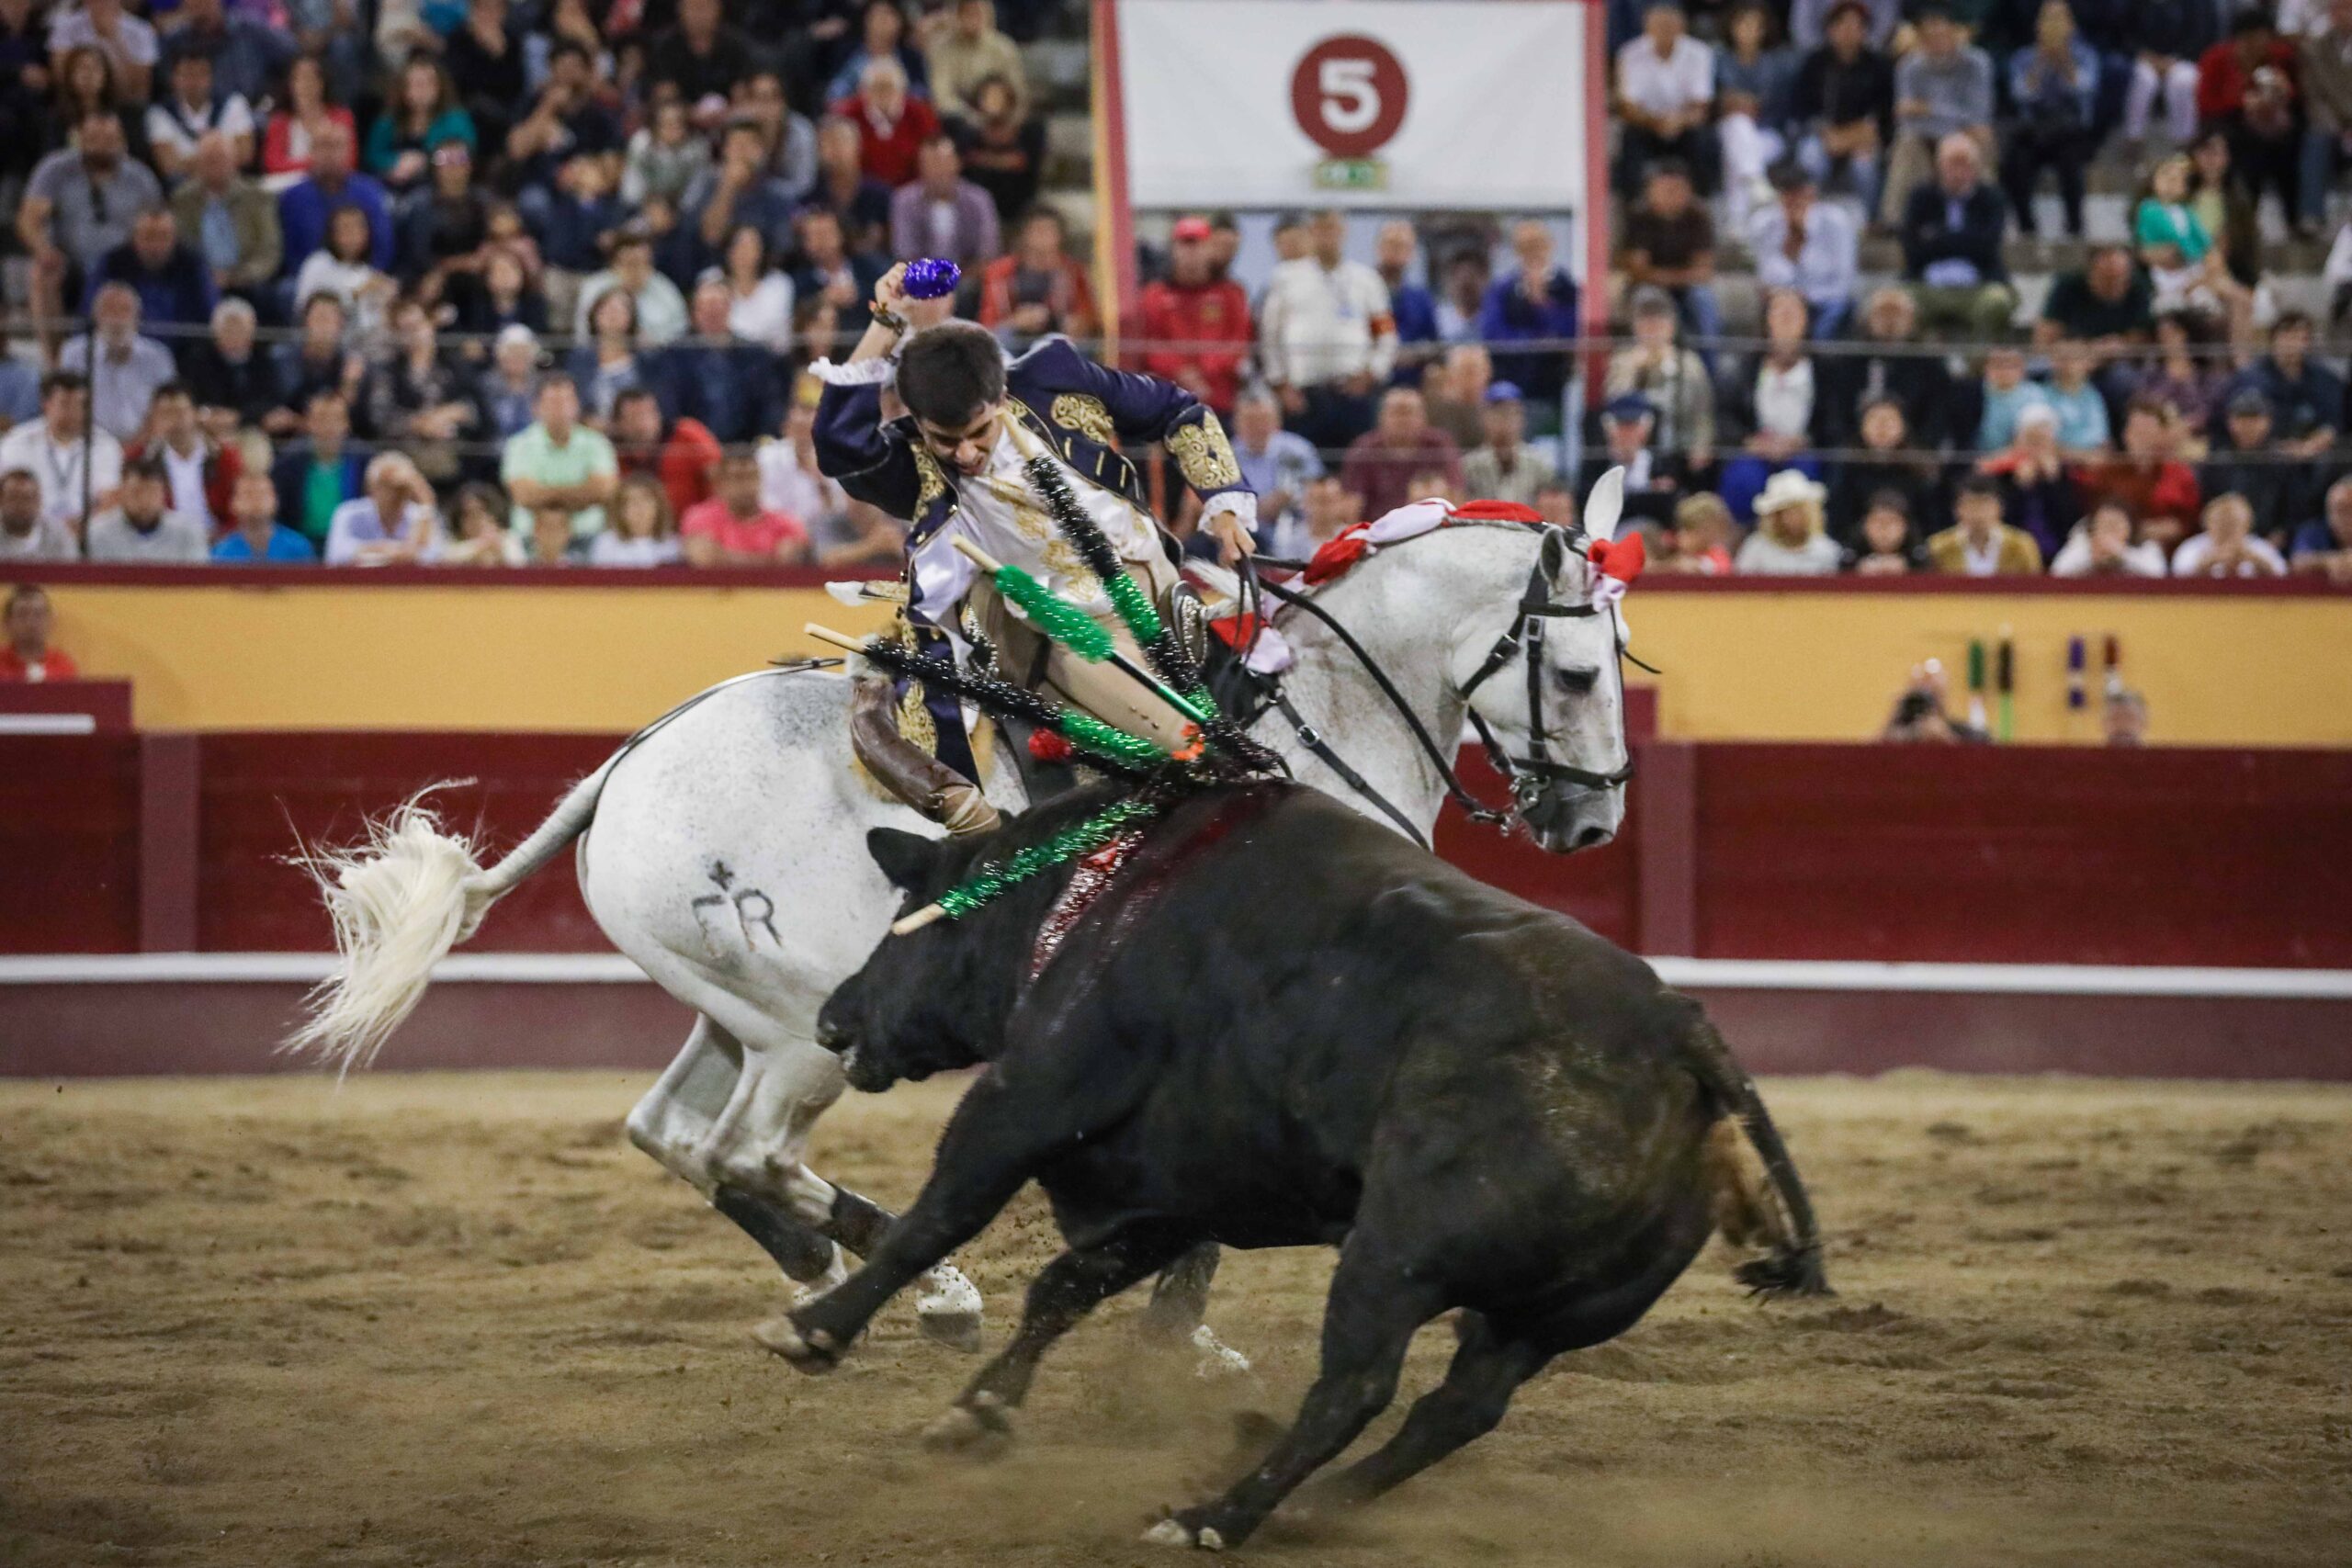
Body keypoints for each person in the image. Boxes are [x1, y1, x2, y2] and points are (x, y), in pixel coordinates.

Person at [811, 263, 1258, 827]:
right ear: (917, 423)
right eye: (945, 440)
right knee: (1196, 754)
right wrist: (885, 324)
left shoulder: (1056, 376)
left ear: (1000, 395)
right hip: (1067, 634)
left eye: (979, 432)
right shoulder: (914, 466)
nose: (966, 454)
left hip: (1163, 588)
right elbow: (839, 444)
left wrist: (1224, 503)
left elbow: (1177, 410)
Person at [1258, 209, 1397, 455]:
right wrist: (1280, 384)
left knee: (1356, 461)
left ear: (1343, 232)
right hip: (1302, 395)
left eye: (1332, 229)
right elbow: (1270, 334)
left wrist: (1373, 373)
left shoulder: (1366, 279)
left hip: (1352, 392)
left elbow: (1385, 332)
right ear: (1310, 233)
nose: (1327, 236)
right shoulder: (1286, 277)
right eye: (1320, 229)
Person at [20, 108, 164, 336]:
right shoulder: (55, 170)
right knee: (42, 273)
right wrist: (44, 250)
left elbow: (158, 224)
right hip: (71, 262)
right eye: (94, 139)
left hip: (125, 262)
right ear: (80, 139)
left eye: (109, 140)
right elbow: (29, 219)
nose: (101, 147)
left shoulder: (141, 178)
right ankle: (55, 355)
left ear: (122, 141)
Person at [1882, 5, 1996, 227]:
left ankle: (1991, 218)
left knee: (1981, 140)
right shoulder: (1908, 67)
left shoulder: (1977, 63)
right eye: (1930, 35)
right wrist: (1946, 119)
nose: (1936, 40)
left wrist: (1928, 109)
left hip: (1964, 136)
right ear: (1921, 39)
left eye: (1942, 33)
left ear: (1955, 33)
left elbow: (1979, 117)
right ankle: (1895, 222)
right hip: (1925, 137)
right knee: (1907, 143)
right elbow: (1905, 118)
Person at [1136, 215, 1252, 417]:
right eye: (1184, 245)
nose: (1191, 253)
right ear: (1173, 249)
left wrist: (1206, 370)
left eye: (1197, 245)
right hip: (1170, 399)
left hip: (1219, 399)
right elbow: (1150, 344)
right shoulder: (1154, 295)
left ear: (1210, 249)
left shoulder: (1231, 294)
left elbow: (1239, 341)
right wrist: (1183, 373)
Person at [1900, 134, 2014, 339]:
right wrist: (1967, 239)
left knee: (1998, 301)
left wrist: (1937, 238)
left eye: (1965, 164)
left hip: (1978, 286)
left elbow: (1987, 248)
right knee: (1898, 303)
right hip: (1926, 286)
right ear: (1938, 166)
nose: (1958, 172)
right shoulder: (1920, 197)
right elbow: (1912, 249)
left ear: (1976, 168)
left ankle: (1978, 356)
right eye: (1952, 164)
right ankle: (1923, 356)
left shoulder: (1991, 198)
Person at [2004, 2, 2100, 239]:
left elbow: (2085, 89)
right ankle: (2026, 226)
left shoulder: (2085, 55)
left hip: (2070, 129)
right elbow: (2021, 94)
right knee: (2014, 161)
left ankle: (2075, 225)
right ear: (2038, 26)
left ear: (2071, 26)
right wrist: (2040, 62)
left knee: (2070, 161)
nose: (2053, 25)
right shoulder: (2023, 57)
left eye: (2059, 19)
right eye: (2048, 19)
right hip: (2034, 129)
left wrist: (2065, 61)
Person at [655, 280, 781, 445]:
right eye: (706, 307)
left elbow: (770, 403)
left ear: (729, 308)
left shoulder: (754, 354)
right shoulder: (674, 354)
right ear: (695, 312)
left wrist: (761, 440)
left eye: (718, 306)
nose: (713, 312)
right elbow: (669, 406)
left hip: (745, 445)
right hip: (693, 445)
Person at [1791, 0, 1893, 203]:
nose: (1848, 31)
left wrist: (1854, 137)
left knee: (1864, 165)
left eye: (1856, 25)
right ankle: (1809, 210)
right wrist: (1824, 132)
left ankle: (1866, 217)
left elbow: (1884, 114)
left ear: (1865, 31)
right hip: (1823, 134)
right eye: (1842, 24)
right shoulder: (1815, 63)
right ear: (1830, 29)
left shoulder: (1879, 66)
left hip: (1862, 138)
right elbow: (1801, 109)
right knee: (1810, 156)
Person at [1476, 220, 1580, 417]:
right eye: (1526, 247)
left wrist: (1542, 304)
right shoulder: (1502, 289)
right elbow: (1494, 334)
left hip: (1554, 384)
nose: (1533, 253)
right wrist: (1535, 340)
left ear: (1550, 246)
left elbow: (1571, 331)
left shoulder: (1566, 288)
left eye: (1538, 245)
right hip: (1511, 382)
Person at [1615, 1, 1718, 196]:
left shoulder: (1699, 53)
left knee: (1705, 140)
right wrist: (1656, 122)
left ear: (1682, 26)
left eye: (1670, 25)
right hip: (1646, 125)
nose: (1665, 30)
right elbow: (1628, 107)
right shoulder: (1630, 53)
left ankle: (1704, 199)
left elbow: (1701, 105)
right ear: (1647, 26)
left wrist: (1679, 121)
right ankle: (1634, 201)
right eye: (1659, 25)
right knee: (1630, 139)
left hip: (1685, 125)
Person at [502, 373, 617, 545]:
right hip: (530, 539)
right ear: (536, 407)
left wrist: (544, 496)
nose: (561, 408)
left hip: (589, 537)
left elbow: (603, 491)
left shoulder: (597, 443)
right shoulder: (518, 445)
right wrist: (580, 496)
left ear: (577, 405)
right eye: (553, 402)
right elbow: (523, 495)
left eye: (566, 401)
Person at [0, 372, 121, 534]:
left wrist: (84, 526)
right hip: (29, 530)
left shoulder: (105, 445)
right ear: (46, 404)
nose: (74, 412)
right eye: (65, 404)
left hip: (88, 531)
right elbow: (6, 495)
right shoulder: (17, 442)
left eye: (80, 405)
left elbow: (110, 499)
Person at [1620, 161, 1721, 352]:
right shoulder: (1639, 217)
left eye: (1676, 189)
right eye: (1665, 189)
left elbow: (1703, 271)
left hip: (1686, 288)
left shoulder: (1699, 217)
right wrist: (1675, 277)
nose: (1671, 194)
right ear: (1650, 190)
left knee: (1703, 299)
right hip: (1649, 286)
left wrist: (1666, 277)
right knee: (1647, 298)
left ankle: (1708, 365)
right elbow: (1637, 270)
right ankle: (1647, 361)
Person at [1715, 0, 1799, 231]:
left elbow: (1778, 105)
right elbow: (1716, 100)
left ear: (1764, 30)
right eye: (1744, 24)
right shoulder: (1720, 59)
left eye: (1755, 26)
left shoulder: (1778, 64)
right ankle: (1755, 181)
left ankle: (1737, 226)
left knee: (1739, 156)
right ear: (1732, 27)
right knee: (1737, 126)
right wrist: (1731, 103)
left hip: (1768, 134)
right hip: (1727, 130)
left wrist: (1751, 104)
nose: (1749, 31)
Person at [1604, 287, 1713, 464]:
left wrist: (1701, 445)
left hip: (1679, 451)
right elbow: (1613, 407)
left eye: (1659, 320)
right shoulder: (1622, 361)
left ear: (1672, 325)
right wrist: (1635, 370)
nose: (1653, 328)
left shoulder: (1689, 363)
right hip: (1634, 453)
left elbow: (1703, 413)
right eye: (1646, 320)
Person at [170, 131, 283, 301]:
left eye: (221, 158)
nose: (215, 165)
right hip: (199, 282)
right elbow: (180, 247)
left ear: (234, 161)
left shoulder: (257, 198)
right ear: (198, 163)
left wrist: (239, 277)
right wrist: (205, 276)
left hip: (249, 282)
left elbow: (269, 250)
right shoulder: (183, 200)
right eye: (209, 160)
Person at [1750, 159, 1858, 337]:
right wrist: (1790, 245)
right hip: (1783, 300)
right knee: (1782, 313)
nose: (1794, 201)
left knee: (1835, 310)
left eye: (1799, 195)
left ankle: (1822, 353)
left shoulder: (1837, 223)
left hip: (1825, 300)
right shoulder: (1764, 224)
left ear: (1812, 194)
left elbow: (1843, 284)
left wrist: (1807, 296)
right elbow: (1766, 277)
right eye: (1788, 195)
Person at [57, 283, 175, 441]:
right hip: (90, 444)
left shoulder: (158, 356)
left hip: (147, 445)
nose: (117, 320)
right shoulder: (74, 354)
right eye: (109, 310)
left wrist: (138, 444)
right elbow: (67, 407)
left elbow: (167, 409)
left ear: (138, 317)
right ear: (96, 316)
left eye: (124, 310)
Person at [2078, 399, 2200, 548]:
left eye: (2148, 430)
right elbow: (2094, 512)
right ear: (2125, 434)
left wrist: (2168, 529)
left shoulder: (2179, 474)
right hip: (2114, 544)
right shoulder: (2107, 471)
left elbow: (2188, 521)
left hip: (2165, 549)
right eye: (2135, 429)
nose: (2141, 436)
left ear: (2162, 434)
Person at [277, 122, 393, 276]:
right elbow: (288, 252)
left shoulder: (370, 191)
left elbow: (383, 246)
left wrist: (365, 277)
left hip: (364, 276)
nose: (330, 153)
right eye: (323, 146)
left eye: (337, 146)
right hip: (307, 278)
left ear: (349, 150)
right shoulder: (293, 197)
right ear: (310, 151)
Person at [976, 206, 1094, 349]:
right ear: (1024, 235)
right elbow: (987, 325)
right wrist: (1015, 322)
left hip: (1059, 342)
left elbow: (1089, 316)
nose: (1042, 238)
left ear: (1060, 237)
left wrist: (1077, 324)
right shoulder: (998, 272)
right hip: (1013, 343)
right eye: (1037, 231)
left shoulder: (1073, 272)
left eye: (1049, 231)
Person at [1340, 388, 1464, 522]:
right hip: (1379, 527)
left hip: (1432, 524)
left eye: (1409, 413)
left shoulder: (1439, 444)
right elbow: (1351, 506)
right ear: (1381, 417)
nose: (1403, 420)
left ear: (1424, 417)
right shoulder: (1364, 448)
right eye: (1396, 413)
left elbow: (1456, 494)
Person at [1979, 402, 2082, 558]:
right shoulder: (2002, 476)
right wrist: (2020, 487)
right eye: (2031, 441)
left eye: (2042, 441)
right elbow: (2002, 522)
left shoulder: (2064, 475)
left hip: (2057, 552)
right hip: (2012, 555)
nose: (2036, 449)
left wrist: (2053, 483)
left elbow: (2069, 523)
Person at [136, 380, 239, 533]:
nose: (174, 420)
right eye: (166, 414)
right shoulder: (144, 460)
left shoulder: (223, 456)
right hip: (166, 540)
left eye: (180, 412)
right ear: (155, 418)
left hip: (217, 538)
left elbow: (237, 509)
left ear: (195, 414)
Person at [679, 447, 811, 566]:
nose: (746, 485)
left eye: (751, 476)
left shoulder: (786, 522)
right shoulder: (699, 517)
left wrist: (723, 557)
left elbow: (787, 563)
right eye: (738, 477)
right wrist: (769, 560)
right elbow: (703, 559)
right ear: (720, 483)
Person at [270, 388, 368, 547]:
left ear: (346, 424)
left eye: (335, 419)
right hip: (301, 542)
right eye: (321, 418)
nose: (329, 426)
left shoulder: (364, 461)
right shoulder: (288, 463)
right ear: (309, 423)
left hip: (350, 543)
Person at [611, 386, 723, 520]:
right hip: (636, 527)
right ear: (618, 424)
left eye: (649, 414)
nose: (644, 424)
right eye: (634, 417)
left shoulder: (687, 434)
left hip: (694, 523)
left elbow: (719, 473)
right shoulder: (611, 451)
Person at [1227, 385, 1322, 541]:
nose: (1258, 427)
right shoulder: (1226, 456)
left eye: (1264, 420)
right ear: (1236, 423)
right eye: (1250, 421)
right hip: (1244, 533)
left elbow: (1319, 492)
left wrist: (1291, 498)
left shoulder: (1299, 450)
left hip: (1298, 530)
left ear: (1278, 421)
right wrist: (1260, 509)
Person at [146, 51, 255, 182]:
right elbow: (169, 165)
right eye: (187, 75)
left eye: (201, 74)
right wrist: (221, 159)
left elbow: (245, 154)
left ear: (211, 77)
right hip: (185, 185)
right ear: (173, 78)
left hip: (231, 182)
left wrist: (189, 161)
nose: (194, 82)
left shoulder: (233, 103)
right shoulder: (159, 113)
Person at [832, 56, 941, 188]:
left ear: (902, 90)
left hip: (913, 189)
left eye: (889, 87)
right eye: (876, 87)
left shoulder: (921, 115)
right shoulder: (847, 115)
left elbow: (932, 156)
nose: (883, 93)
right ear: (863, 91)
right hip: (862, 189)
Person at [571, 227, 688, 347]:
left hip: (658, 354)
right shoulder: (595, 287)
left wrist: (657, 342)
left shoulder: (664, 288)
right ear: (614, 263)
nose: (635, 271)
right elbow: (583, 333)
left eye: (642, 262)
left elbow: (680, 330)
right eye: (630, 263)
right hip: (603, 352)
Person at [182, 296, 282, 434]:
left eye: (240, 328)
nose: (234, 334)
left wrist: (238, 417)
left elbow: (269, 401)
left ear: (252, 331)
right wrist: (208, 414)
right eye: (228, 328)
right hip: (206, 429)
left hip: (250, 428)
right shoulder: (198, 360)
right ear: (216, 331)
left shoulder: (262, 362)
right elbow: (190, 397)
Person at [2125, 0, 2219, 145]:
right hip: (2145, 58)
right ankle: (2133, 136)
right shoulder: (2138, 4)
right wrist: (2144, 54)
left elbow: (2199, 34)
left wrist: (2175, 59)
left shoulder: (2194, 4)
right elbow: (2126, 32)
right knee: (2144, 79)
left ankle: (2184, 139)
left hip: (2181, 58)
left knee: (2183, 81)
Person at [85, 455, 208, 563]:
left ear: (164, 494)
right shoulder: (98, 533)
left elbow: (198, 578)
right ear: (121, 493)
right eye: (136, 492)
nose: (144, 500)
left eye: (152, 492)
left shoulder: (188, 533)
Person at [324, 452, 438, 566]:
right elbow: (335, 554)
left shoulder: (419, 515)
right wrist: (390, 550)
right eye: (386, 485)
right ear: (371, 487)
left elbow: (433, 556)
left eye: (401, 487)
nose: (394, 493)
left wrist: (425, 502)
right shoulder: (349, 513)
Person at [927, 0, 1027, 120]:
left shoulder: (1004, 48)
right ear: (957, 16)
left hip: (1002, 115)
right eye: (968, 13)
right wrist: (972, 117)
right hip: (962, 116)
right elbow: (941, 95)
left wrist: (1010, 119)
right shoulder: (943, 50)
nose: (974, 19)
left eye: (979, 13)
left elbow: (1018, 92)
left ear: (989, 15)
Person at [1928, 473, 2044, 574]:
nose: (1978, 512)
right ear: (1957, 509)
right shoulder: (1938, 547)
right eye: (1971, 504)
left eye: (1985, 504)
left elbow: (2035, 586)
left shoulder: (2021, 545)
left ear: (2000, 508)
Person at [705, 225, 796, 355]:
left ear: (762, 251)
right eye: (738, 245)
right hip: (723, 355)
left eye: (751, 246)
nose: (744, 252)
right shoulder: (711, 280)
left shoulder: (780, 284)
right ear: (727, 249)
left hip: (770, 356)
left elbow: (780, 332)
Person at [2301, 0, 2352, 229]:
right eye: (2341, 8)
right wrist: (2339, 128)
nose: (2346, 14)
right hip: (2332, 122)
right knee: (2316, 139)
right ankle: (2312, 215)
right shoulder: (2315, 49)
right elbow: (2315, 97)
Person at [1461, 383, 1552, 510]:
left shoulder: (1539, 464)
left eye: (1512, 413)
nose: (1505, 420)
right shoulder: (1469, 466)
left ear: (1521, 419)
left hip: (1526, 521)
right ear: (1484, 418)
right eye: (1498, 413)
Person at [1735, 468, 1840, 573]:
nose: (1793, 518)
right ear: (1774, 517)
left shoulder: (1826, 550)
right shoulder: (1756, 549)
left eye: (1798, 512)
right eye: (1786, 513)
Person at [1372, 220, 1440, 378]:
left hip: (1411, 376)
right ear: (1378, 248)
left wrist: (1417, 354)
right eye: (1391, 244)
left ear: (1412, 252)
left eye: (1402, 245)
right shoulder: (1361, 290)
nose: (1396, 250)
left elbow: (1435, 343)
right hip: (1371, 375)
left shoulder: (1420, 298)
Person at [212, 468, 317, 563]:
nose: (256, 500)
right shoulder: (222, 552)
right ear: (233, 504)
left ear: (276, 501)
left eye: (262, 493)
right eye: (248, 494)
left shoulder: (298, 548)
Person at [2173, 491, 2287, 576]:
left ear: (2248, 525)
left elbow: (2283, 575)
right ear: (2207, 524)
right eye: (2221, 522)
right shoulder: (2192, 548)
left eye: (2234, 523)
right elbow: (2178, 577)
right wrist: (2208, 563)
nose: (2227, 528)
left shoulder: (2259, 548)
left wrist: (2258, 562)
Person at [2050, 498, 2167, 576]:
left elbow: (2160, 574)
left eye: (2115, 525)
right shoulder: (2082, 543)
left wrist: (2122, 555)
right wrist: (2091, 559)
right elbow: (2057, 572)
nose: (2109, 531)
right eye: (2103, 524)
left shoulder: (2145, 546)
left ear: (2130, 528)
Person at [590, 474, 686, 568]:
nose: (639, 508)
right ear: (619, 510)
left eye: (646, 500)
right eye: (631, 501)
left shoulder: (674, 545)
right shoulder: (606, 544)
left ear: (659, 507)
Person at [0, 582, 76, 682]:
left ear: (50, 621)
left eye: (38, 614)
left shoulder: (63, 667)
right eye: (22, 614)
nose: (31, 622)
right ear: (7, 622)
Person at [0, 468, 77, 562]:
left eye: (27, 498)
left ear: (39, 501)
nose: (21, 505)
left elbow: (71, 569)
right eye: (14, 498)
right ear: (1, 500)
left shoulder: (59, 535)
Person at [1841, 490, 1928, 573]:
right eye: (1877, 522)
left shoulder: (1916, 552)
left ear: (1906, 526)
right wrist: (1857, 568)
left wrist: (1908, 567)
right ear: (1864, 525)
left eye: (1892, 522)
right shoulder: (1852, 550)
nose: (1884, 529)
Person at [2288, 475, 2352, 581]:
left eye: (2349, 509)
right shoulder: (2313, 531)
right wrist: (2329, 561)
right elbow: (2297, 561)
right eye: (2339, 510)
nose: (2344, 518)